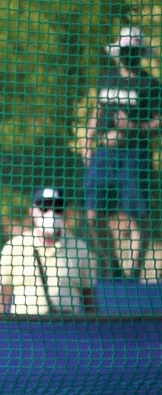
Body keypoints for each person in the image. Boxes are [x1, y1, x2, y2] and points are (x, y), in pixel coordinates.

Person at [82, 26, 162, 280]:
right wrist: (87, 138)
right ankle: (112, 266)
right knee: (93, 214)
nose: (128, 55)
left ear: (140, 53)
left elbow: (159, 123)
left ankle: (135, 273)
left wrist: (133, 127)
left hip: (134, 155)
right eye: (125, 51)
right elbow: (99, 109)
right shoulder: (107, 78)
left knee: (137, 215)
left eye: (133, 51)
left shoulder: (150, 84)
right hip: (104, 154)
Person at [0, 187, 98, 316]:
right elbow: (1, 293)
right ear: (32, 211)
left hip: (66, 330)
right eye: (44, 208)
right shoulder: (14, 247)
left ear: (64, 213)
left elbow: (90, 297)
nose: (50, 213)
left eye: (57, 208)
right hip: (23, 330)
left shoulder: (80, 249)